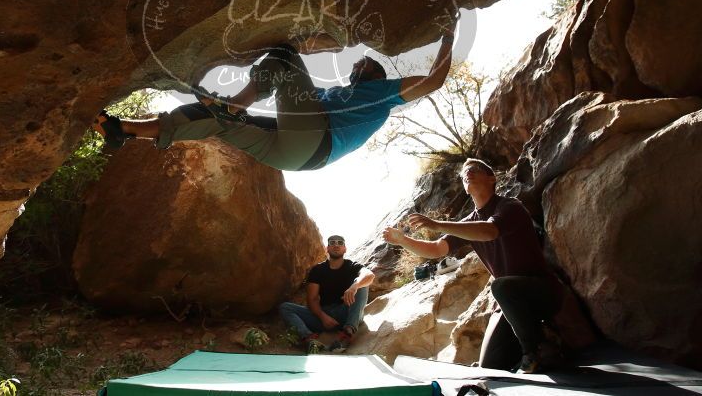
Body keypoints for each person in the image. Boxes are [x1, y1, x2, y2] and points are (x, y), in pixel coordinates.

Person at [92, 34, 453, 171]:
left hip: (314, 142)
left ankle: (236, 104)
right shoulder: (330, 96)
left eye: (366, 64)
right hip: (293, 154)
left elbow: (434, 81)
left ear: (377, 75)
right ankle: (121, 130)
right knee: (211, 119)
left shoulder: (381, 95)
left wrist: (448, 38)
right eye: (359, 61)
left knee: (283, 55)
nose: (359, 63)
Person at [382, 158, 564, 373]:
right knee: (490, 367)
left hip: (543, 291)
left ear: (492, 178)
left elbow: (489, 231)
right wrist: (403, 240)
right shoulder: (469, 221)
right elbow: (437, 249)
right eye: (464, 174)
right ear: (465, 188)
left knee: (501, 287)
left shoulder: (510, 206)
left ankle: (537, 350)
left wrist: (437, 224)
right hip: (509, 303)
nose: (467, 173)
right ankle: (538, 341)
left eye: (474, 170)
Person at [279, 234, 375, 354]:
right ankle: (310, 340)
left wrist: (354, 286)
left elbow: (370, 275)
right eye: (332, 243)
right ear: (327, 248)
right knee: (286, 307)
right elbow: (312, 299)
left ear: (345, 249)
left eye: (340, 243)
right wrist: (322, 316)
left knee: (362, 284)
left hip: (347, 313)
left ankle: (347, 333)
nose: (336, 245)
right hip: (323, 315)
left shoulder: (352, 266)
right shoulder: (318, 270)